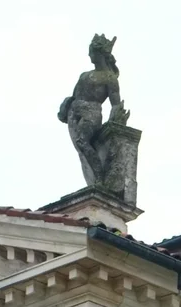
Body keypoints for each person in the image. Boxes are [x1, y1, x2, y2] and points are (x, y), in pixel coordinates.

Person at [58, 34, 128, 192]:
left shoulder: (110, 78)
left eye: (92, 52)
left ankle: (99, 178)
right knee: (80, 146)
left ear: (99, 54)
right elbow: (75, 95)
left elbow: (115, 104)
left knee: (83, 142)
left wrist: (113, 125)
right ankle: (94, 179)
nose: (89, 55)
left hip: (92, 113)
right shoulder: (84, 75)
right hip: (74, 112)